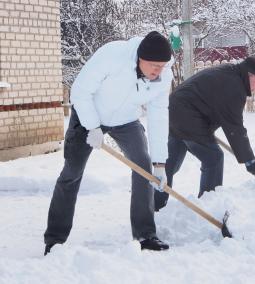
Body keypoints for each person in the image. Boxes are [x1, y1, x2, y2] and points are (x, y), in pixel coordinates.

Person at [44, 31, 173, 254]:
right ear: (139, 58)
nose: (157, 71)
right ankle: (55, 239)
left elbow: (159, 115)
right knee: (71, 172)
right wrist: (92, 125)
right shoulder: (113, 54)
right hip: (88, 115)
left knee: (143, 167)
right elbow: (80, 92)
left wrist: (160, 164)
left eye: (162, 66)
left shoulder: (163, 74)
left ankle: (145, 234)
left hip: (126, 120)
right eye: (153, 65)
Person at [154, 56, 255, 211]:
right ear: (250, 75)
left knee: (169, 164)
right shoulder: (235, 87)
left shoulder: (229, 73)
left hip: (174, 110)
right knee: (213, 158)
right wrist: (249, 160)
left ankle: (155, 204)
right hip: (188, 116)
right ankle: (209, 206)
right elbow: (235, 127)